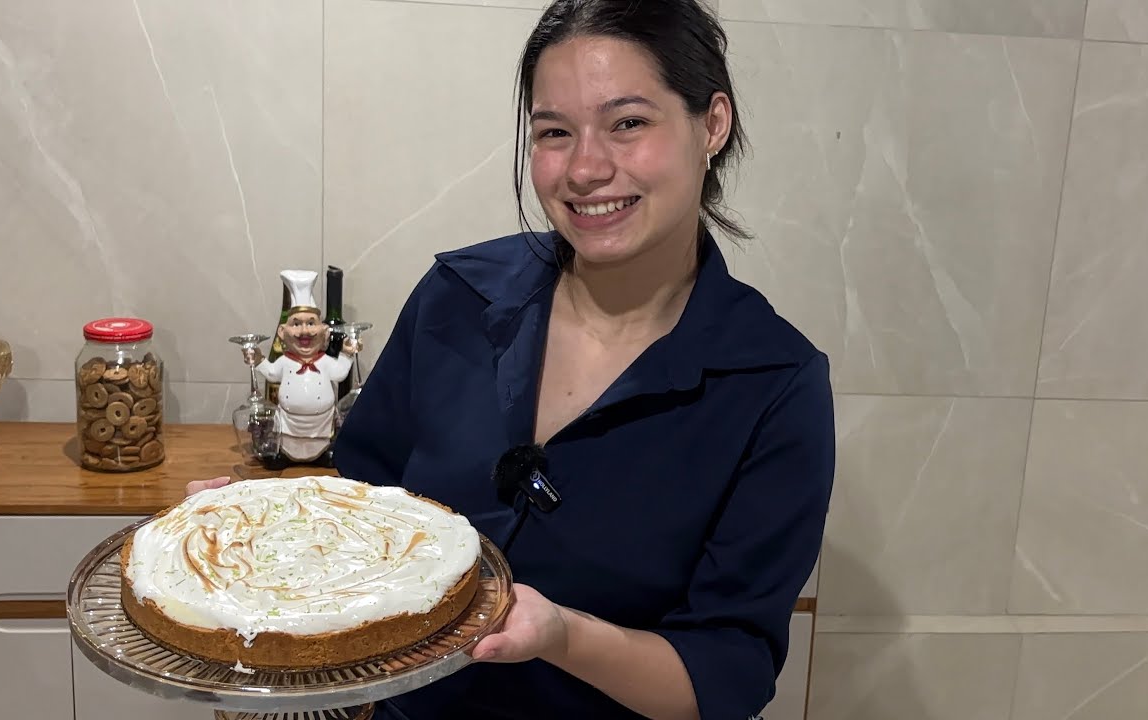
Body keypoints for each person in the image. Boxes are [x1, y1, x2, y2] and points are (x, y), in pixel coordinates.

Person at [191, 1, 834, 717]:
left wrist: (563, 636)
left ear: (711, 124)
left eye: (628, 123)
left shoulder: (773, 384)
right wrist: (257, 529)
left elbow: (726, 673)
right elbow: (364, 506)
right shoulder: (456, 298)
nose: (585, 169)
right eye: (554, 132)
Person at [246, 270, 360, 468]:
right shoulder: (285, 362)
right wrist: (257, 359)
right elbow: (271, 373)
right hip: (290, 427)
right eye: (296, 324)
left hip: (321, 427)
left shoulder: (325, 361)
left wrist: (348, 354)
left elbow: (341, 373)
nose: (304, 331)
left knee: (325, 449)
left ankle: (323, 455)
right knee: (285, 447)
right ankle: (284, 455)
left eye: (311, 323)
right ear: (282, 332)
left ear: (324, 331)